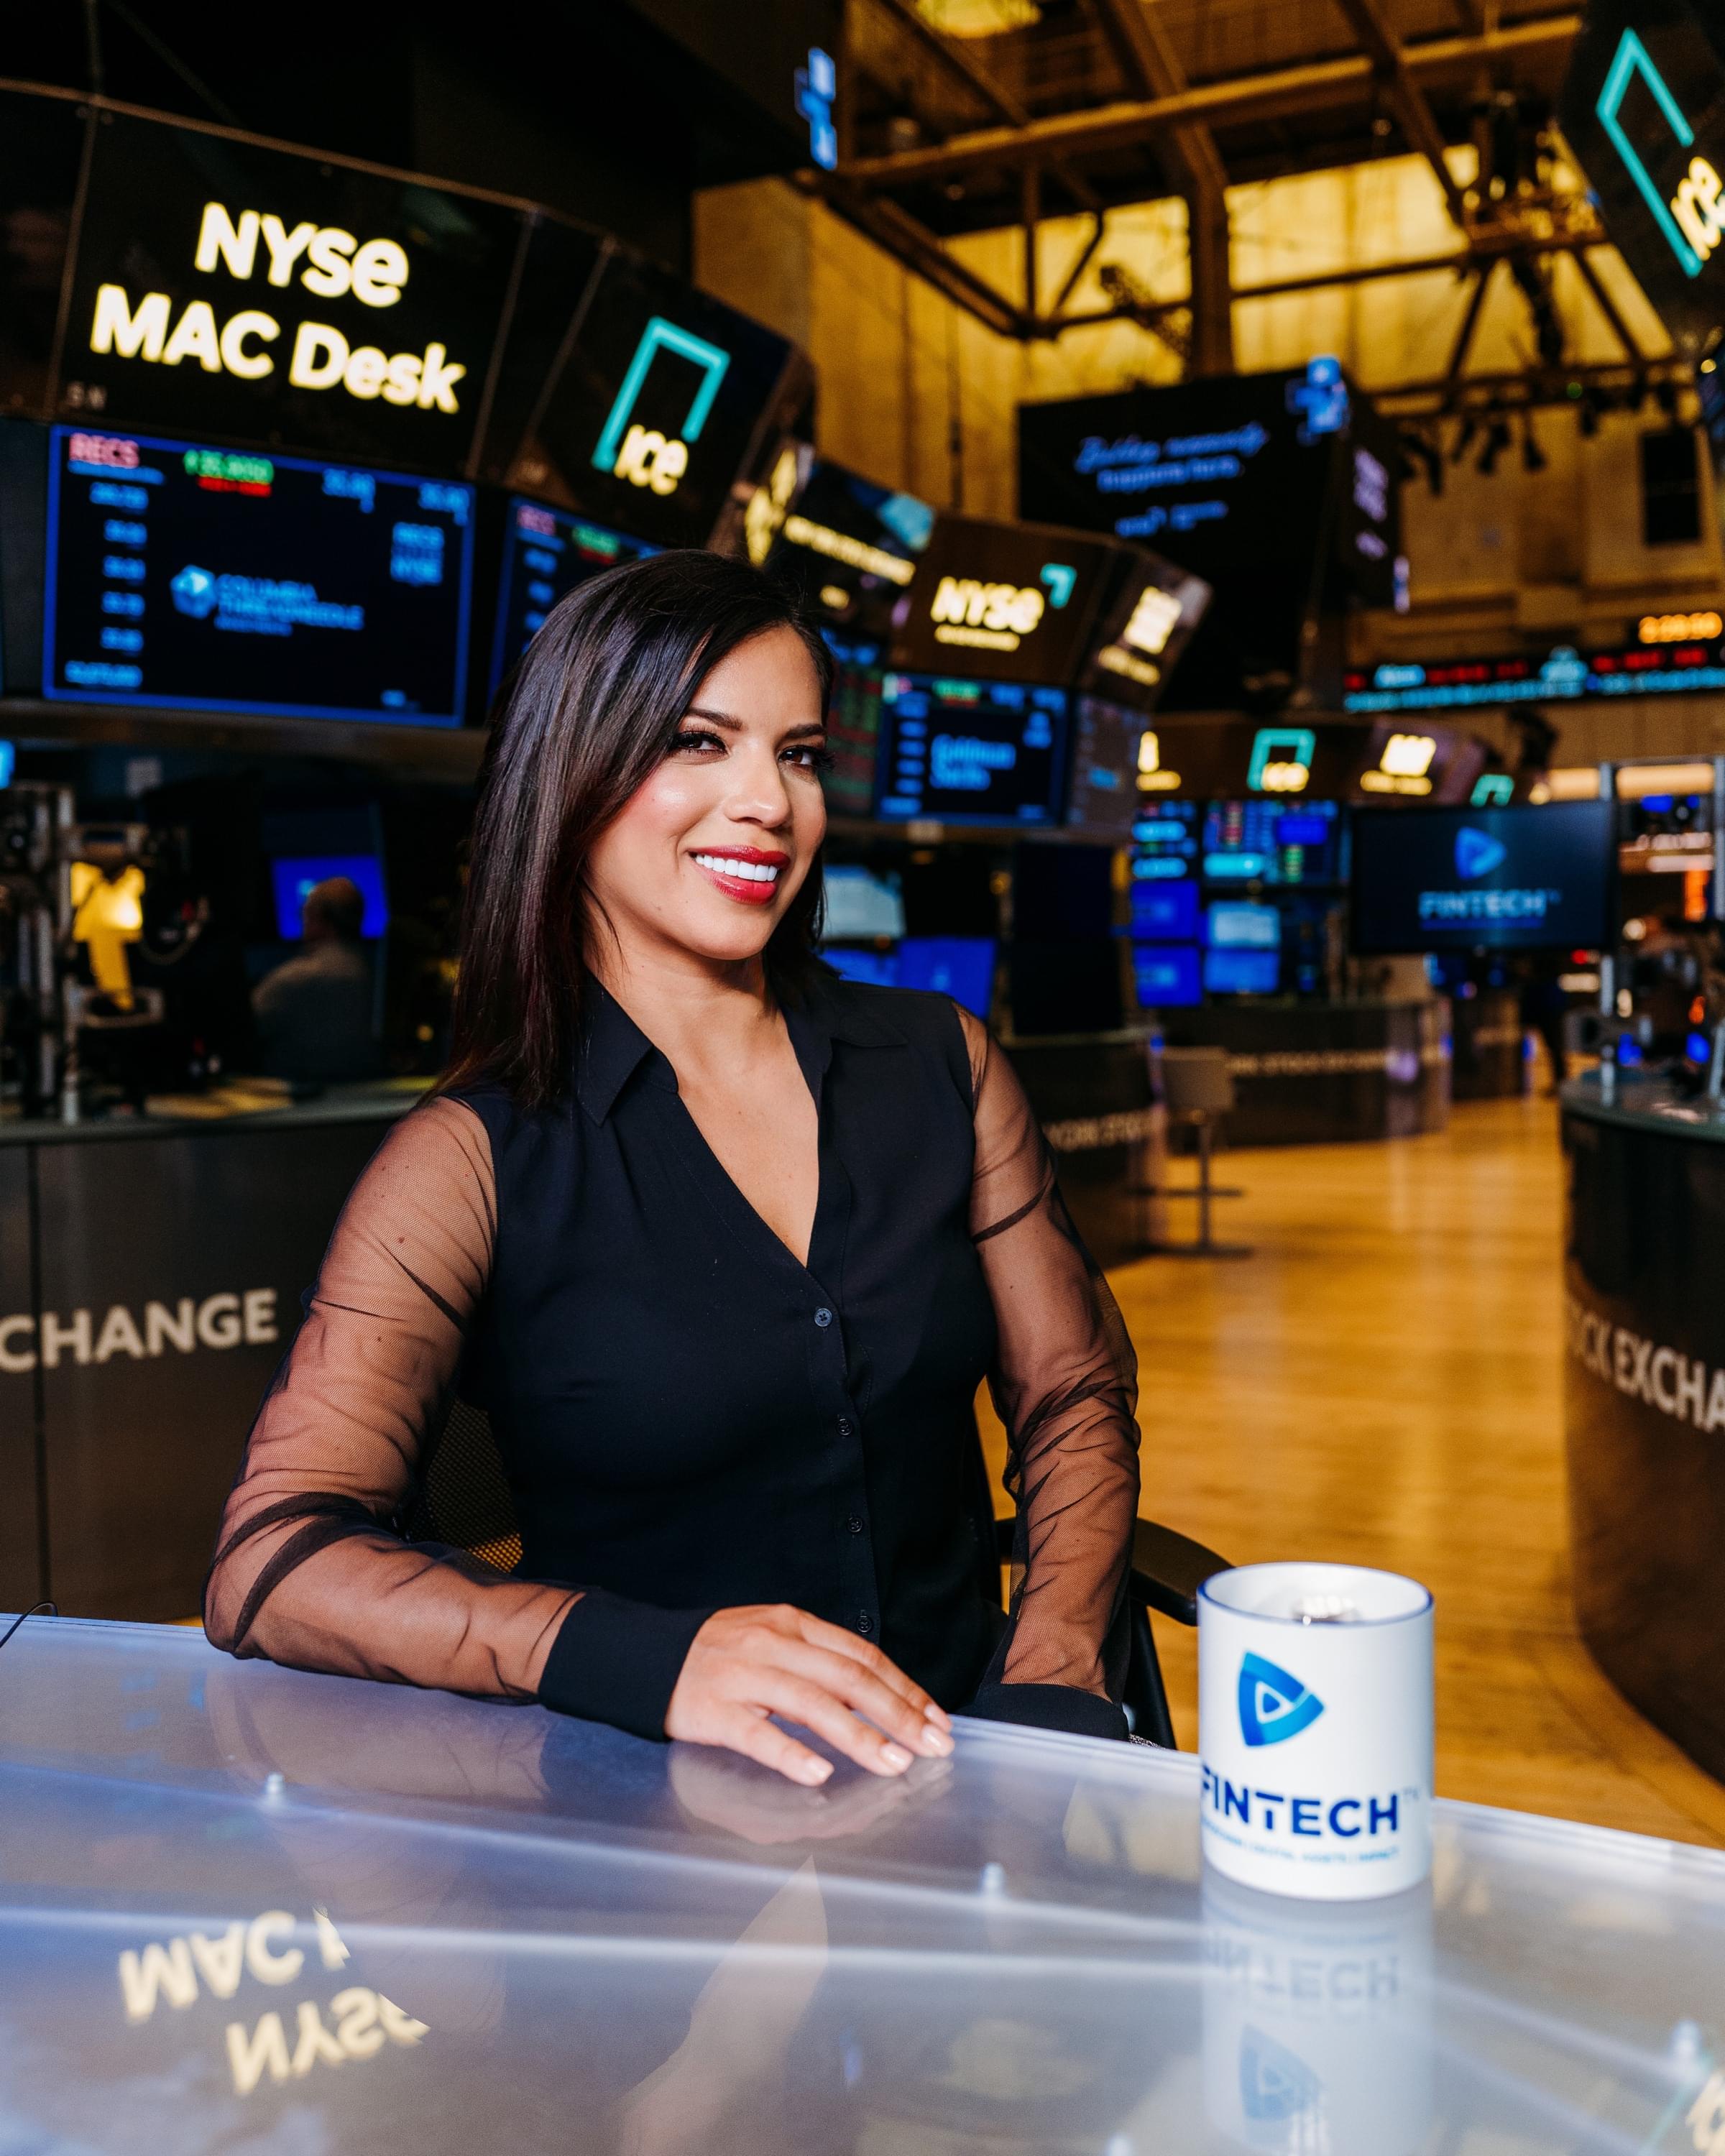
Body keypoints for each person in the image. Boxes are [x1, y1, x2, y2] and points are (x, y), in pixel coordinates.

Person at [205, 551, 1141, 1786]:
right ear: (575, 771)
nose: (768, 802)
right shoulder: (468, 1159)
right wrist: (644, 1657)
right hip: (654, 1812)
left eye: (798, 754)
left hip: (962, 1769)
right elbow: (271, 1562)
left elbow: (1074, 1395)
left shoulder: (941, 1064)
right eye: (700, 743)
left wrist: (1054, 1674)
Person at [251, 875, 380, 1084]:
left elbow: (238, 1034)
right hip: (373, 1096)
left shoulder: (291, 980)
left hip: (300, 1101)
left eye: (304, 914)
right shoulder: (378, 979)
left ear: (316, 916)